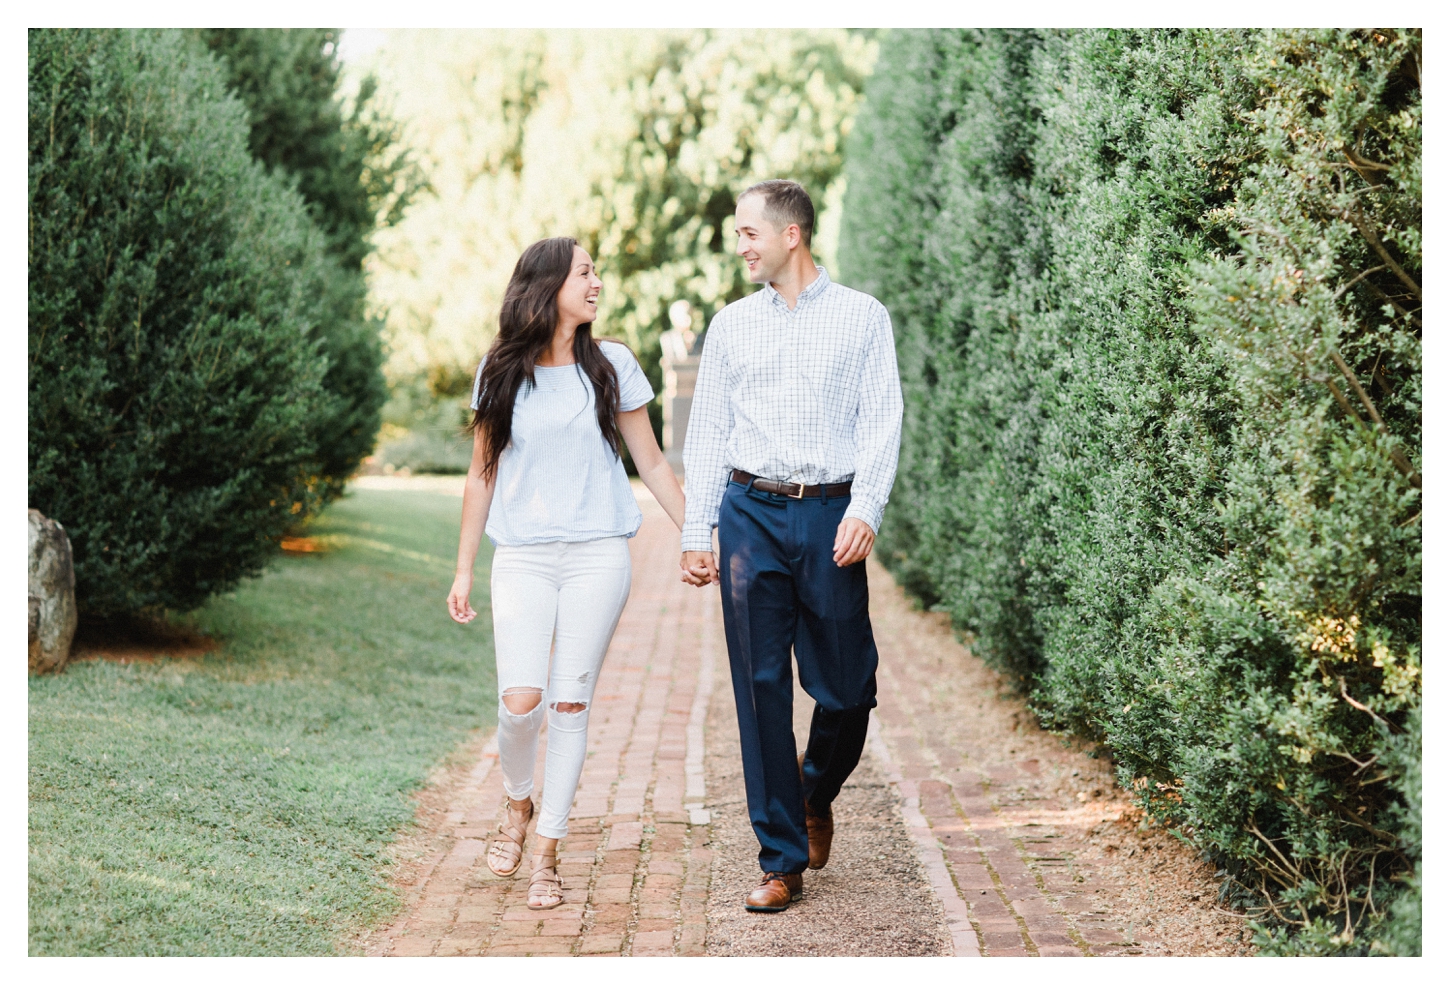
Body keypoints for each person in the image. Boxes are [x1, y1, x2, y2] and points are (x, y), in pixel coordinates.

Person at [679, 180, 903, 912]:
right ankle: (780, 860)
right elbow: (708, 429)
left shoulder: (863, 318)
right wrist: (696, 529)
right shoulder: (731, 326)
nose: (740, 245)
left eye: (749, 232)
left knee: (847, 688)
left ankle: (813, 792)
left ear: (791, 235)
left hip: (829, 513)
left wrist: (866, 505)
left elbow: (882, 419)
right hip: (749, 515)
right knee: (760, 685)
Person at [449, 237, 686, 910]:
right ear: (548, 284)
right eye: (585, 272)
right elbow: (481, 473)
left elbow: (654, 464)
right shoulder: (498, 370)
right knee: (520, 702)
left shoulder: (613, 364)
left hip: (597, 555)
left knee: (571, 701)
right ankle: (516, 804)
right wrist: (464, 568)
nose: (597, 281)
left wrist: (703, 534)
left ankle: (547, 850)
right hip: (522, 556)